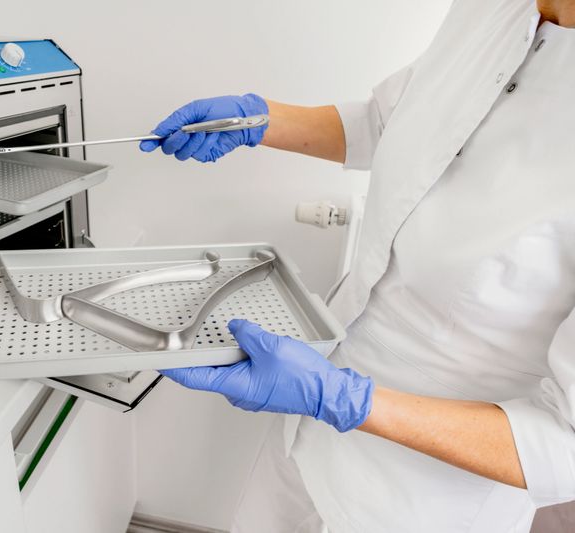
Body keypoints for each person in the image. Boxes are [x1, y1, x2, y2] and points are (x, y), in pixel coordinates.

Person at [139, 0, 575, 531]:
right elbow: (393, 120)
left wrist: (345, 400)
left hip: (428, 489)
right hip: (315, 394)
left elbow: (563, 445)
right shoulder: (494, 8)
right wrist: (260, 119)